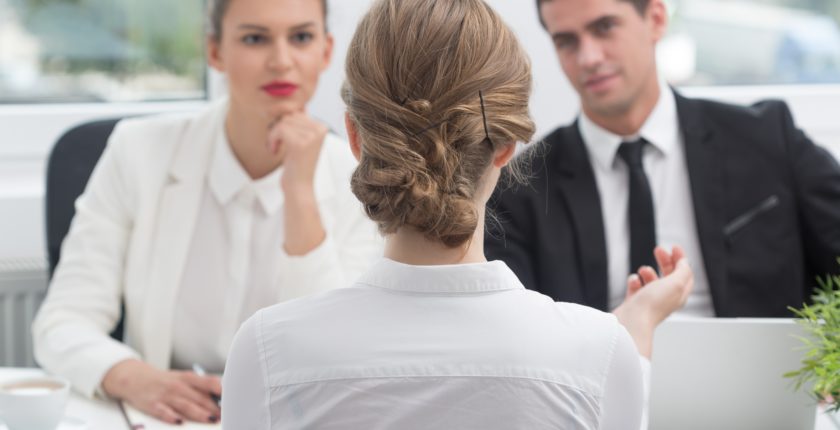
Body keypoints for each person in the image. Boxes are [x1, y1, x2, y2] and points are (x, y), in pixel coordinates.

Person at [221, 0, 694, 428]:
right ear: (507, 144)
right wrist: (631, 335)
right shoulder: (600, 352)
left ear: (355, 136)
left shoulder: (266, 351)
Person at [32, 0, 381, 424]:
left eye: (301, 37)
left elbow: (335, 352)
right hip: (166, 419)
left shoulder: (356, 178)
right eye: (255, 38)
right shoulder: (138, 152)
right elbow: (62, 321)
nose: (281, 61)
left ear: (326, 52)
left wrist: (299, 194)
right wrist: (134, 377)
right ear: (215, 50)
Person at [486, 0, 840, 318]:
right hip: (600, 382)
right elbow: (514, 329)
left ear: (656, 18)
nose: (588, 57)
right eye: (567, 41)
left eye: (604, 27)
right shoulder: (522, 186)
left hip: (762, 384)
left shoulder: (767, 138)